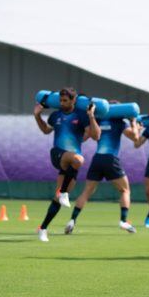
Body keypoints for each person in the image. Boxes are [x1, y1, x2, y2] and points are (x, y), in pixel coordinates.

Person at [33, 87, 99, 242]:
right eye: (60, 101)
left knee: (58, 199)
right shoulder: (56, 115)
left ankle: (43, 228)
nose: (62, 103)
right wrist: (37, 116)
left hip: (71, 165)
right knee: (79, 160)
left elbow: (96, 136)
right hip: (57, 154)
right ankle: (64, 193)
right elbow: (46, 131)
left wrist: (91, 116)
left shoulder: (81, 116)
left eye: (65, 100)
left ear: (73, 100)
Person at [64, 112, 140, 234]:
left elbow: (85, 136)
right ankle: (123, 221)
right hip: (111, 159)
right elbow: (135, 137)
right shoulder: (120, 122)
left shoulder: (99, 121)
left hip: (97, 159)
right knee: (125, 190)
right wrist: (133, 122)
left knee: (86, 192)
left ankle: (72, 220)